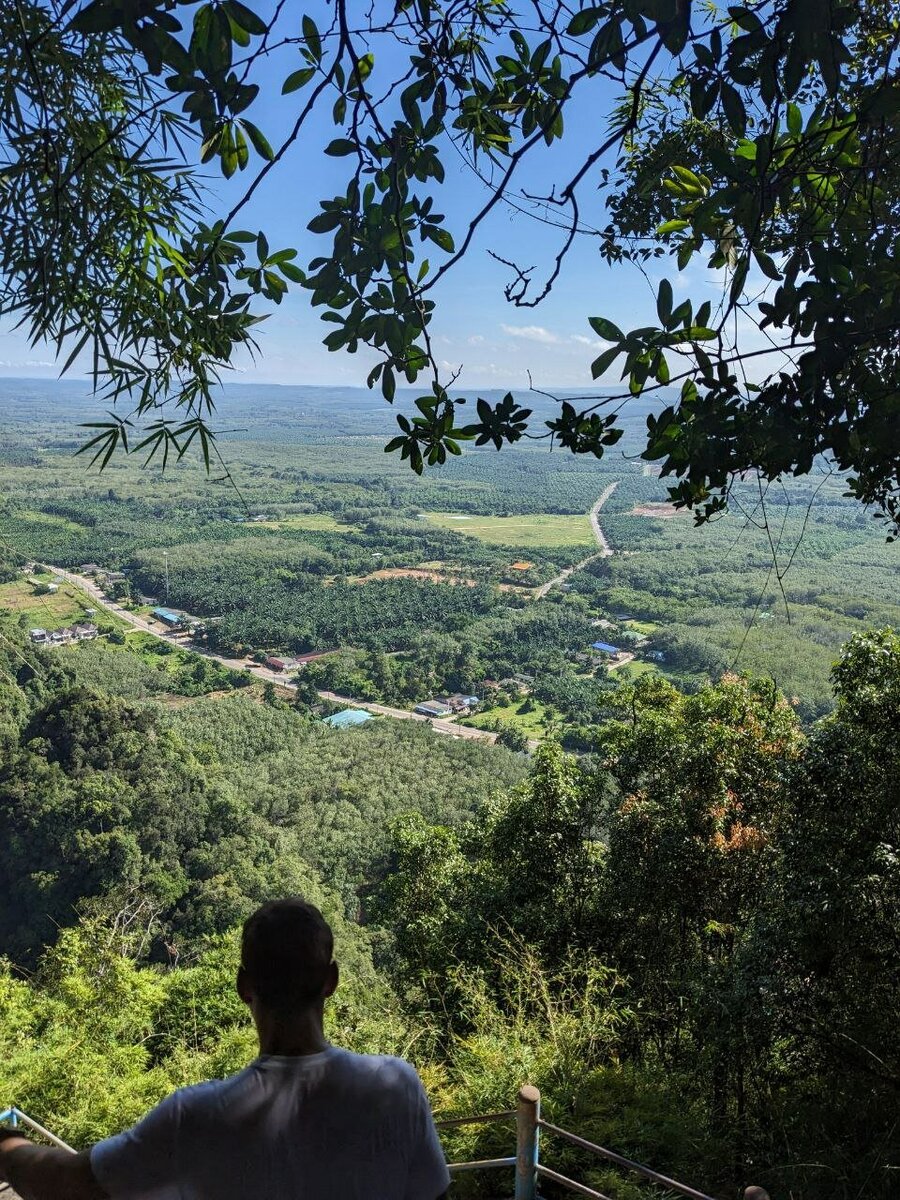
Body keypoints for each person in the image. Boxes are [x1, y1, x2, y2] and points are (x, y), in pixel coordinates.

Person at [0, 898, 451, 1200]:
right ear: (331, 981)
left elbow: (70, 1184)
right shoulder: (398, 1087)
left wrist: (7, 1147)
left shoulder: (193, 1116)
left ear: (243, 986)